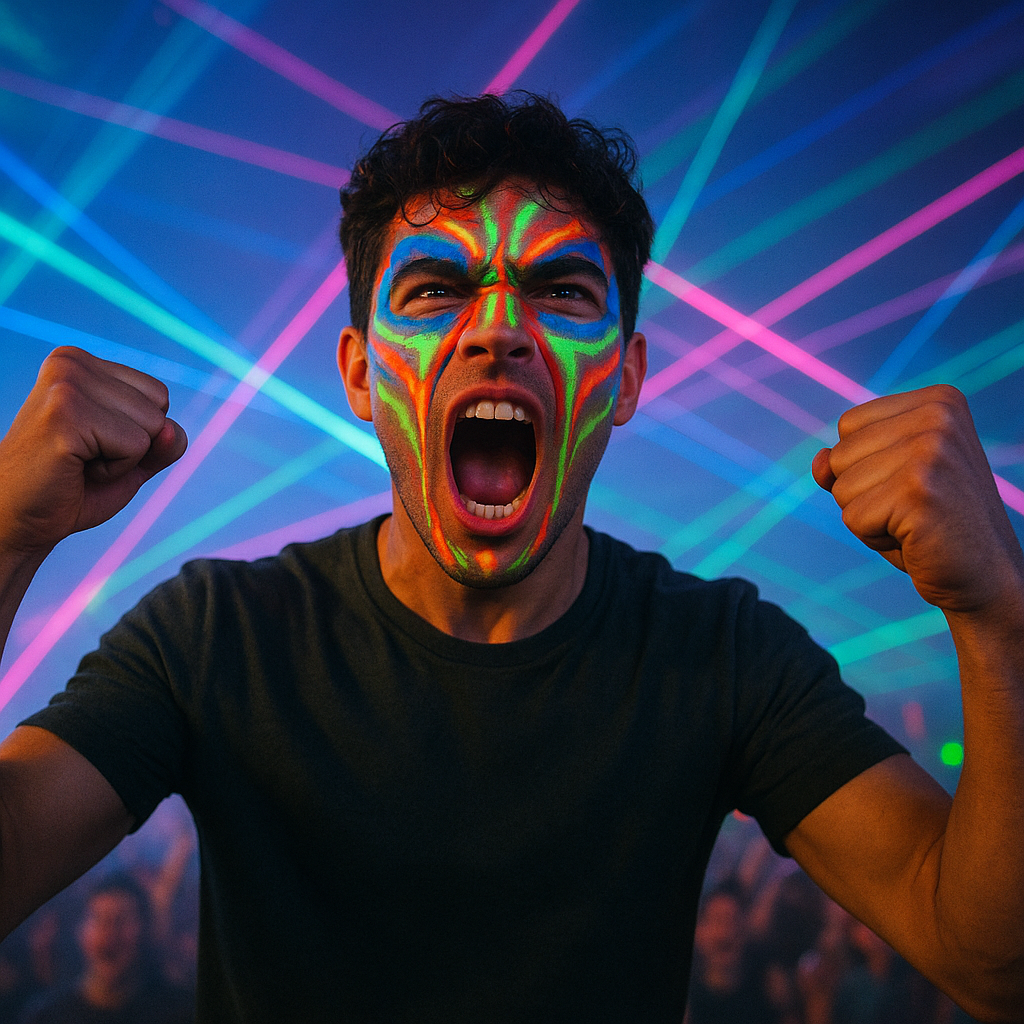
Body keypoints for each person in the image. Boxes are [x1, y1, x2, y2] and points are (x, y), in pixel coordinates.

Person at [0, 93, 1021, 1023]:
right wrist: (4, 534)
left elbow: (990, 962)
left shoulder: (722, 653)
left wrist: (998, 615)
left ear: (623, 378)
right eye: (438, 287)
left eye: (561, 290)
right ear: (361, 372)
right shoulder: (215, 635)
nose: (498, 329)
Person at [18, 874, 193, 1024]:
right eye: (98, 918)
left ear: (145, 930)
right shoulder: (46, 1016)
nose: (109, 929)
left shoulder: (181, 1011)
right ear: (80, 933)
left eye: (122, 918)